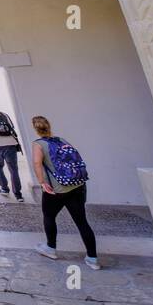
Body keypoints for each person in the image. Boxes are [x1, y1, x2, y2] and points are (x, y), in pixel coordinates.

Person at [30, 115, 100, 269]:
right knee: (82, 222)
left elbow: (37, 163)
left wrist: (42, 183)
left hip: (57, 189)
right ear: (49, 126)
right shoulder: (62, 140)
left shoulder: (38, 144)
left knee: (49, 216)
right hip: (76, 186)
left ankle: (50, 248)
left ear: (35, 129)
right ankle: (92, 258)